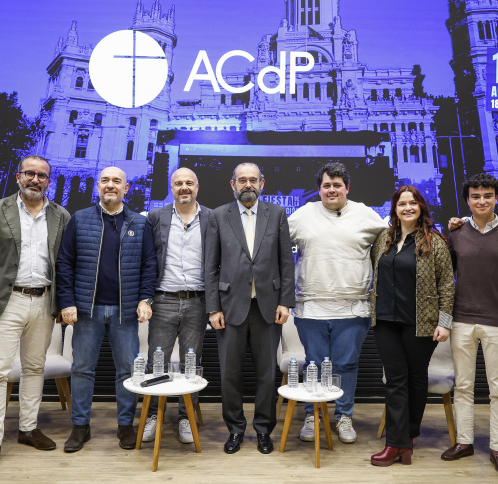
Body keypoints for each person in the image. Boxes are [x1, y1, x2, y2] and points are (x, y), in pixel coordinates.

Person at [0, 155, 70, 474]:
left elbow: (65, 265)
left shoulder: (61, 215)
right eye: (30, 174)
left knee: (34, 368)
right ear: (18, 177)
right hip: (5, 302)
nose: (35, 180)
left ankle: (28, 429)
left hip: (44, 302)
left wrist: (64, 304)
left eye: (42, 176)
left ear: (49, 181)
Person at [56, 166, 158, 452]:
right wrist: (67, 302)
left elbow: (150, 265)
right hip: (86, 311)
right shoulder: (80, 219)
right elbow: (64, 263)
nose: (110, 185)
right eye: (105, 181)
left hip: (126, 312)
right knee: (83, 370)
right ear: (97, 186)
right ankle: (80, 427)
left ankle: (126, 427)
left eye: (117, 181)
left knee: (127, 371)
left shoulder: (140, 222)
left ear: (126, 189)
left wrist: (145, 299)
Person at [288, 162, 385, 444]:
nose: (332, 190)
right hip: (311, 307)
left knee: (346, 365)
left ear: (347, 188)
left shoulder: (365, 214)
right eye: (326, 185)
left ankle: (344, 417)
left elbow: (394, 239)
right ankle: (313, 415)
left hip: (353, 308)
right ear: (319, 189)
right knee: (314, 365)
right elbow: (274, 239)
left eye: (337, 185)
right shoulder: (304, 214)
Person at [204, 162, 295, 455]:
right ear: (233, 184)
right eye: (242, 180)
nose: (247, 185)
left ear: (262, 183)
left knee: (267, 374)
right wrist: (213, 308)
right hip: (229, 308)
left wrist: (285, 301)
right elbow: (210, 267)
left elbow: (286, 262)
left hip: (268, 308)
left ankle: (264, 430)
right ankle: (234, 430)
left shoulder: (277, 214)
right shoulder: (219, 215)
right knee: (230, 373)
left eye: (252, 180)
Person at [368, 184, 454, 467]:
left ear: (421, 208)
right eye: (402, 203)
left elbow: (447, 285)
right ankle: (396, 443)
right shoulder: (384, 239)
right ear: (394, 208)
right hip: (385, 321)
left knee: (416, 378)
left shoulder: (435, 241)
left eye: (413, 203)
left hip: (421, 322)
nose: (407, 207)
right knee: (396, 379)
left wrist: (444, 322)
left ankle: (408, 435)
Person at [440, 173, 498, 475]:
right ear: (468, 200)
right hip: (461, 321)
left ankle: (497, 448)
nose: (482, 200)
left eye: (487, 195)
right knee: (463, 386)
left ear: (496, 197)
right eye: (475, 196)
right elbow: (446, 282)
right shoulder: (457, 233)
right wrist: (445, 321)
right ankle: (464, 442)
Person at [142, 167, 212, 444]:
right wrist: (145, 298)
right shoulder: (156, 217)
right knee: (155, 362)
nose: (184, 187)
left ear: (197, 187)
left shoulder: (212, 218)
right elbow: (148, 262)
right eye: (178, 183)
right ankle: (152, 416)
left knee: (191, 364)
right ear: (171, 187)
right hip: (163, 300)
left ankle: (186, 416)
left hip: (197, 302)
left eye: (189, 183)